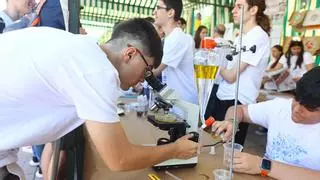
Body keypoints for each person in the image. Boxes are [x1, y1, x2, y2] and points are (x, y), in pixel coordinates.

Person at [0, 18, 198, 179]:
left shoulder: (82, 48)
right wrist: (175, 149)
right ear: (130, 53)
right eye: (146, 70)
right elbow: (119, 159)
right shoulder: (97, 71)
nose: (144, 79)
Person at [212, 67, 320, 180]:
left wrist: (264, 166)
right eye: (296, 99)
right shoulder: (280, 107)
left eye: (309, 108)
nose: (297, 109)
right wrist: (232, 121)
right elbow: (239, 110)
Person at [206, 0, 271, 146]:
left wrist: (215, 62)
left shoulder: (257, 36)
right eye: (234, 6)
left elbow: (231, 76)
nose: (233, 10)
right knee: (213, 147)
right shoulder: (241, 37)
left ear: (253, 10)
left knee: (225, 150)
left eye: (239, 7)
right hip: (224, 96)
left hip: (236, 101)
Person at [152, 0, 198, 112]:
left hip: (183, 103)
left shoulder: (177, 38)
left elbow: (155, 71)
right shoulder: (169, 38)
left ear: (170, 13)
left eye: (158, 8)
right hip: (175, 100)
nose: (154, 12)